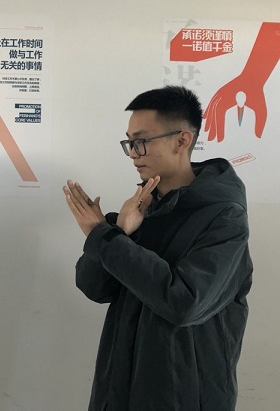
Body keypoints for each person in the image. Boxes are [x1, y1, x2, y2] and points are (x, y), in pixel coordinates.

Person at [63, 86, 252, 411]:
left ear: (182, 140)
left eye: (141, 141)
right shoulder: (140, 208)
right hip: (118, 391)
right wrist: (116, 231)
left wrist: (104, 237)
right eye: (129, 143)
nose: (133, 154)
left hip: (184, 397)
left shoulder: (224, 217)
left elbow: (185, 303)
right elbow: (94, 288)